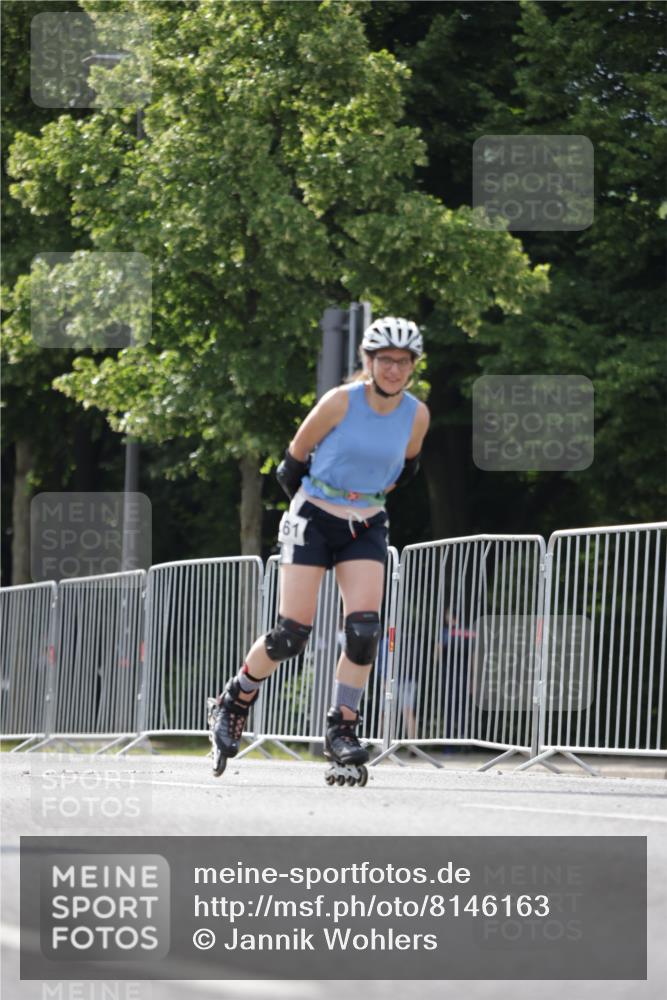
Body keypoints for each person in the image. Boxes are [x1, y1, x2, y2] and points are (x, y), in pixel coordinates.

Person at [208, 316, 430, 782]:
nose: (394, 369)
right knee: (292, 634)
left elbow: (405, 471)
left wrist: (363, 502)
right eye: (385, 360)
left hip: (366, 522)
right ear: (368, 362)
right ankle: (236, 698)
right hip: (313, 516)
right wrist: (312, 512)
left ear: (413, 366)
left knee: (365, 630)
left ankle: (342, 728)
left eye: (403, 361)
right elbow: (292, 463)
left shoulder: (417, 415)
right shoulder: (339, 402)